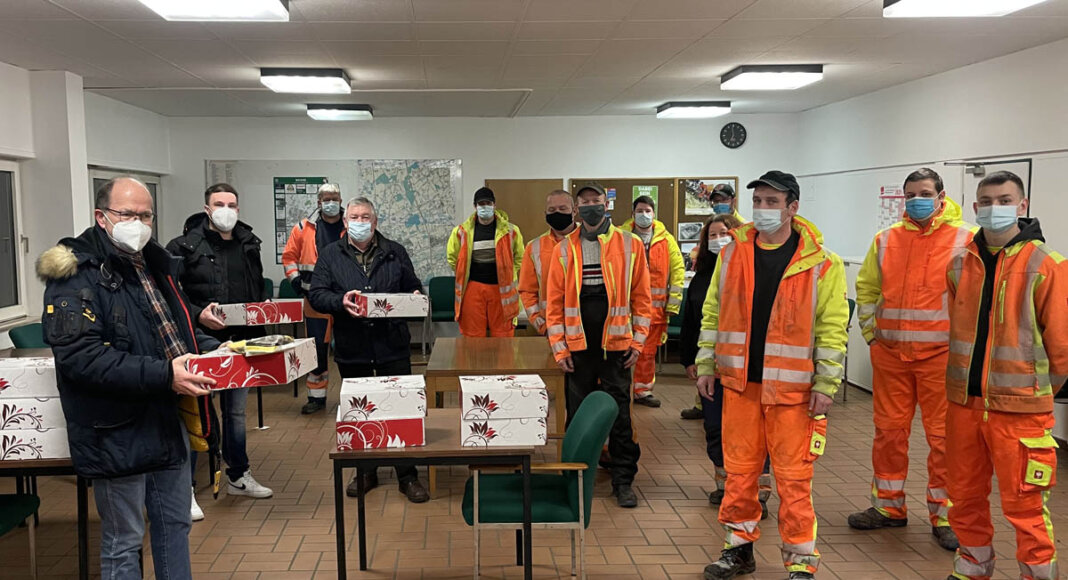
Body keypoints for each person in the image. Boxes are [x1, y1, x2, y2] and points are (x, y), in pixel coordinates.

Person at [39, 177, 221, 579]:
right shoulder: (75, 274)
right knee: (124, 541)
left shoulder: (153, 264)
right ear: (101, 217)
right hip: (115, 428)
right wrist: (164, 374)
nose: (137, 223)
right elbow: (80, 358)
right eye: (127, 214)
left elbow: (172, 328)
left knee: (175, 524)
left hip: (164, 415)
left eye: (145, 215)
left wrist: (212, 352)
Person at [696, 171, 848, 580]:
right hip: (740, 385)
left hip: (794, 392)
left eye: (771, 202)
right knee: (740, 473)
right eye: (758, 201)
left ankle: (800, 561)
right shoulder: (732, 255)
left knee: (794, 478)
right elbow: (713, 315)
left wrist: (827, 384)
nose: (762, 209)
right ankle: (738, 549)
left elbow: (832, 328)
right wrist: (706, 364)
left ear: (792, 208)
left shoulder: (823, 263)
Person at [942, 171, 1068, 580]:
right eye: (986, 200)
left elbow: (1063, 349)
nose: (994, 208)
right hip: (965, 403)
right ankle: (973, 566)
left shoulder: (1048, 265)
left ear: (1023, 205)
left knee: (1026, 504)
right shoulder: (961, 263)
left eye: (1004, 199)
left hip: (1020, 411)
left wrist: (1033, 393)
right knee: (963, 496)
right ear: (975, 207)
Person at [848, 168, 972, 551]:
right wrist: (871, 334)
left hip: (943, 359)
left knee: (944, 439)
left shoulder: (967, 239)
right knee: (888, 433)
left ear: (941, 195)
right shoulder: (886, 240)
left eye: (924, 192)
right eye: (911, 194)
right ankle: (888, 507)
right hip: (891, 356)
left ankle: (946, 516)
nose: (917, 200)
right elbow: (866, 287)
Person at [308, 197, 431, 503]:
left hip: (392, 344)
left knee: (400, 410)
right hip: (353, 346)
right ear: (345, 222)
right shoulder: (330, 255)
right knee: (359, 414)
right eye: (354, 217)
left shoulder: (395, 252)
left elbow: (413, 286)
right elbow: (318, 295)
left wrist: (415, 296)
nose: (360, 221)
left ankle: (408, 475)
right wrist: (340, 302)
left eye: (366, 216)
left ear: (375, 222)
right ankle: (365, 471)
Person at [166, 183, 274, 523]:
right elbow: (171, 295)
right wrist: (197, 312)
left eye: (231, 204)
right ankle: (183, 489)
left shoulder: (248, 242)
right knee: (193, 414)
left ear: (238, 209)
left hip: (239, 344)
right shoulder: (182, 246)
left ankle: (238, 476)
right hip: (197, 344)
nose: (226, 209)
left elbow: (256, 285)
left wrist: (264, 310)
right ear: (207, 208)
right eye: (219, 204)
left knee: (235, 414)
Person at [545, 183, 652, 508]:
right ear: (577, 210)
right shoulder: (564, 249)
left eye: (597, 201)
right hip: (579, 347)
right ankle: (576, 480)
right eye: (585, 202)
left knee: (619, 415)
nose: (591, 206)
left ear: (607, 205)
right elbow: (554, 305)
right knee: (577, 417)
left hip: (617, 346)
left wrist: (638, 341)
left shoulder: (630, 244)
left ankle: (623, 481)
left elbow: (642, 300)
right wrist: (560, 349)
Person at [680, 214, 771, 518]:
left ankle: (757, 492)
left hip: (747, 369)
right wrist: (691, 360)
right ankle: (725, 484)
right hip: (713, 367)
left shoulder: (753, 271)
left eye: (725, 233)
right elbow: (695, 320)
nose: (719, 240)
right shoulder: (703, 274)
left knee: (755, 433)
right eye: (713, 235)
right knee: (716, 428)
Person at [282, 183, 344, 414]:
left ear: (341, 200)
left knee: (350, 349)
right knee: (316, 349)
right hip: (315, 300)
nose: (331, 202)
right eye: (326, 198)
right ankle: (316, 398)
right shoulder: (303, 228)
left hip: (346, 300)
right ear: (319, 203)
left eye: (335, 198)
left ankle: (352, 394)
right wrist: (295, 281)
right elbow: (289, 257)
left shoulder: (351, 226)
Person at [622, 195, 684, 408]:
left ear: (654, 213)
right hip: (623, 311)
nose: (644, 215)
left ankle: (642, 390)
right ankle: (618, 390)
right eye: (640, 210)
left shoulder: (667, 240)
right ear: (633, 213)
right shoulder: (621, 237)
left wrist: (673, 306)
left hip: (654, 312)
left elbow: (678, 271)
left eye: (648, 210)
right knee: (618, 351)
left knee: (647, 354)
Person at [446, 187, 524, 337]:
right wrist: (464, 272)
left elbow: (520, 257)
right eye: (481, 204)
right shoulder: (461, 231)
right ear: (475, 206)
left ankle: (504, 362)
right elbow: (452, 258)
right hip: (473, 288)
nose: (484, 207)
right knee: (473, 336)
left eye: (488, 203)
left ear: (494, 205)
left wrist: (507, 272)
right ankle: (474, 362)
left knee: (503, 336)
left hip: (502, 289)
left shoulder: (511, 231)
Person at [518, 189, 576, 335]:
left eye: (563, 209)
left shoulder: (591, 241)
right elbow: (527, 291)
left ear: (574, 211)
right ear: (545, 215)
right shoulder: (534, 247)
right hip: (551, 329)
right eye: (552, 210)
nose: (557, 213)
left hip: (588, 329)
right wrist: (540, 323)